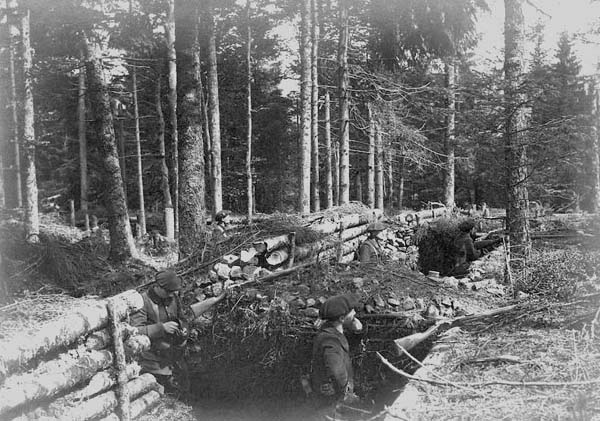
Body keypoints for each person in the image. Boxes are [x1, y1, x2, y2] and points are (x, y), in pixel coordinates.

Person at [131, 270, 226, 392]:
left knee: (184, 387)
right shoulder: (142, 301)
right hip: (153, 360)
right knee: (167, 390)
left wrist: (183, 329)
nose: (171, 294)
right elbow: (134, 330)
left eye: (173, 292)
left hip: (173, 355)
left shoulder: (172, 297)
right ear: (158, 287)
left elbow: (183, 317)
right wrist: (162, 328)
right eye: (169, 291)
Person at [311, 293, 363, 419]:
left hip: (334, 400)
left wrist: (357, 331)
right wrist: (347, 393)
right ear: (341, 318)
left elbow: (347, 348)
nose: (354, 312)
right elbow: (336, 371)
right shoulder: (330, 341)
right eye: (351, 311)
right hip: (333, 403)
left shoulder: (331, 332)